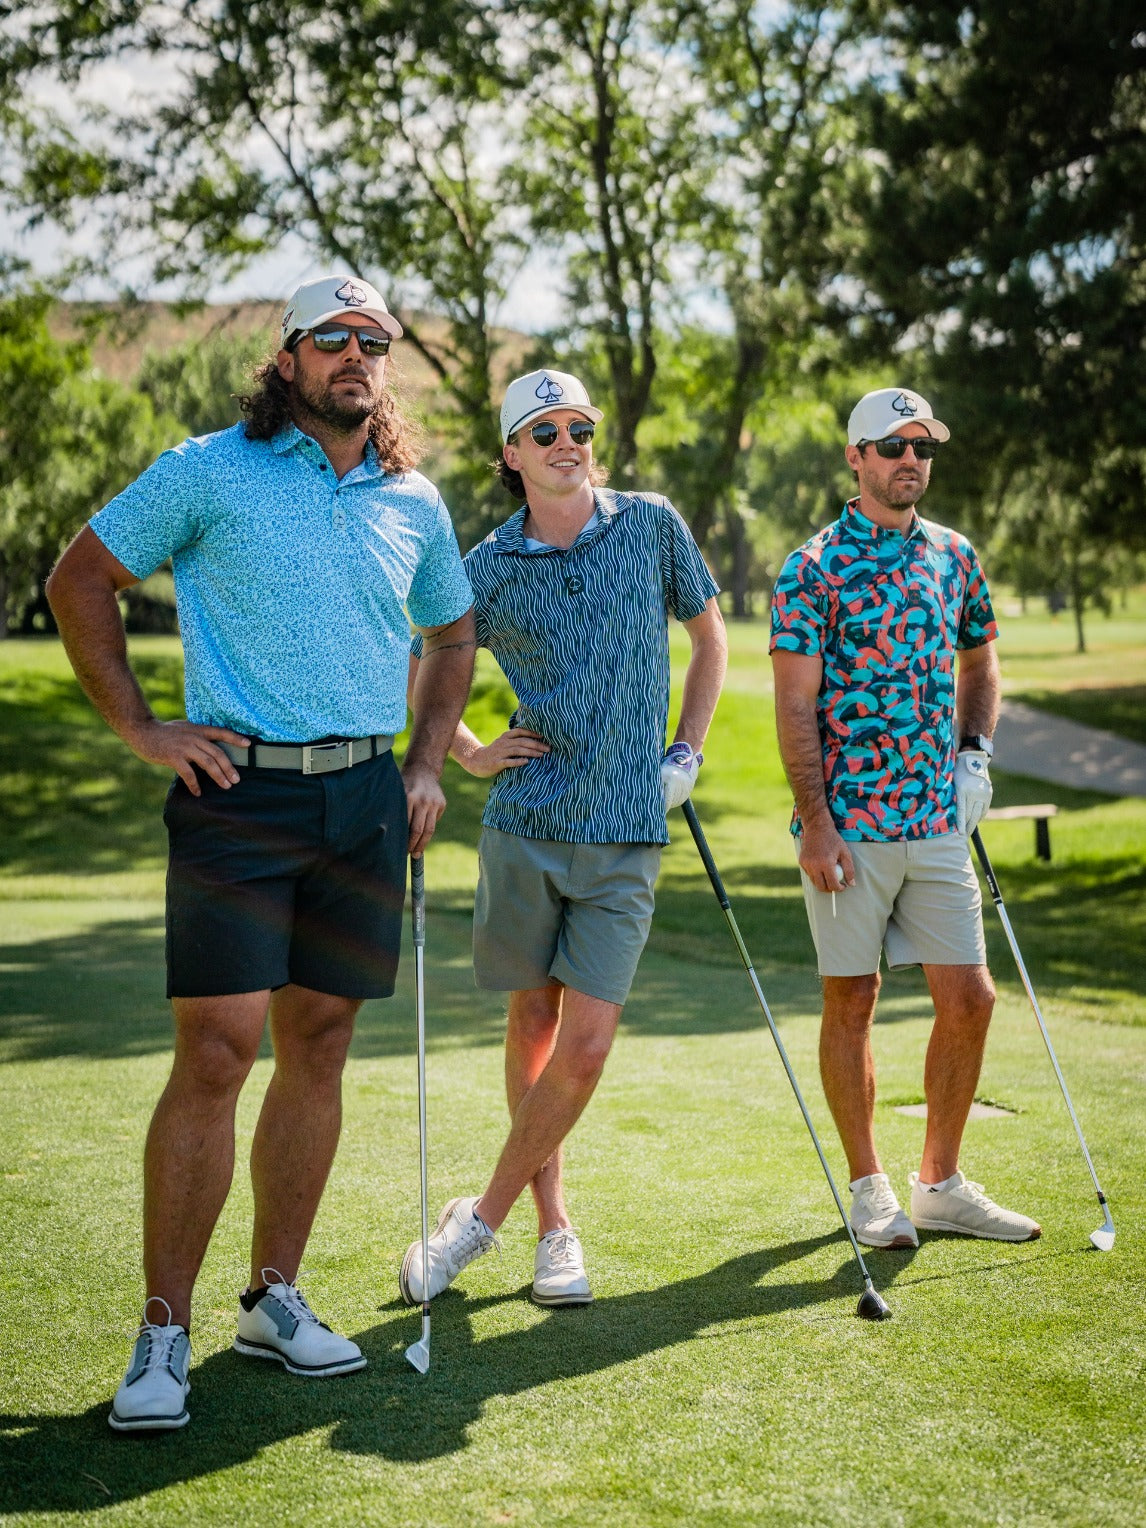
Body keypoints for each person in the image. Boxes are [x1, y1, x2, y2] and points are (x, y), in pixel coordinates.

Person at [45, 275, 476, 1432]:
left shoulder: (413, 501)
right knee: (221, 1050)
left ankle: (271, 1295)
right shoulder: (208, 468)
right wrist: (142, 728)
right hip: (236, 799)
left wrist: (429, 761)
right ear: (286, 358)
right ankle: (163, 1329)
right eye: (329, 338)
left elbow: (452, 631)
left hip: (364, 801)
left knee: (320, 1041)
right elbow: (79, 578)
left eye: (372, 340)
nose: (353, 355)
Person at [399, 368, 727, 1306]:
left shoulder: (653, 523)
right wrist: (463, 752)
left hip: (628, 831)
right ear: (511, 454)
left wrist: (687, 752)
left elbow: (712, 641)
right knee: (533, 1026)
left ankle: (478, 1220)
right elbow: (417, 657)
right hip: (527, 828)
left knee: (584, 1049)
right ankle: (554, 1230)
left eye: (577, 426)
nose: (566, 442)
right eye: (543, 431)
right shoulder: (488, 567)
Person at [769, 387, 1041, 1251]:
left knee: (971, 998)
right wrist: (814, 820)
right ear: (856, 459)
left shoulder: (954, 555)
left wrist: (975, 754)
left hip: (936, 823)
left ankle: (941, 1182)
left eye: (922, 447)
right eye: (892, 446)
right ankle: (868, 1187)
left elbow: (980, 655)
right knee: (853, 1001)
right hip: (849, 829)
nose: (909, 461)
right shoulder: (812, 567)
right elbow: (795, 704)